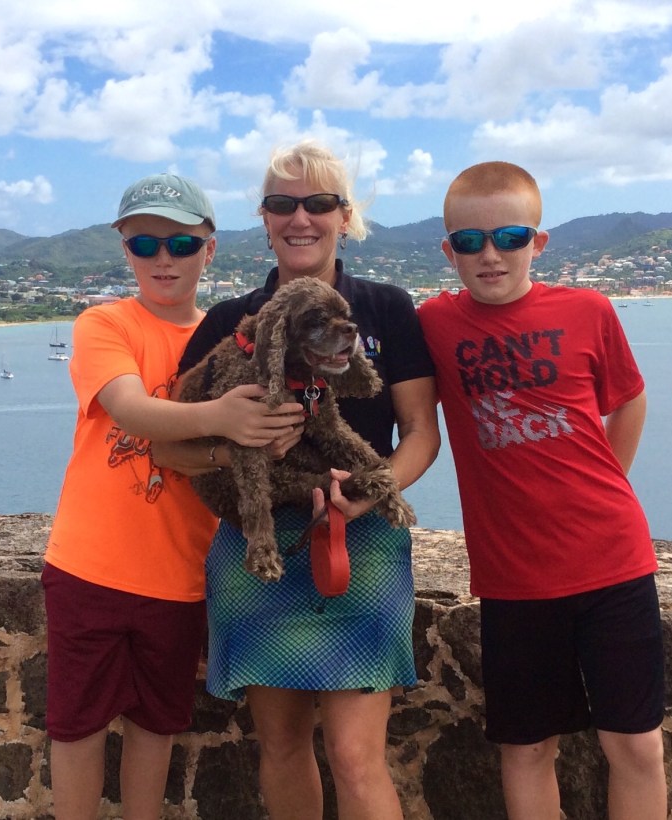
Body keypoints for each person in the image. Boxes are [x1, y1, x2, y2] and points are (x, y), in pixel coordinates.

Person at [160, 141, 440, 819]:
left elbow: (421, 435)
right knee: (281, 747)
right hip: (261, 553)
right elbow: (167, 445)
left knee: (353, 755)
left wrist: (371, 490)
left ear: (345, 216)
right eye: (283, 204)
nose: (301, 219)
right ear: (264, 217)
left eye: (319, 203)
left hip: (360, 540)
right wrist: (234, 451)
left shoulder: (385, 309)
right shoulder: (233, 324)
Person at [42, 173, 304, 820]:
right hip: (89, 565)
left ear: (208, 250)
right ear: (125, 249)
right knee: (77, 727)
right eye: (146, 244)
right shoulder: (105, 323)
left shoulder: (223, 338)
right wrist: (225, 419)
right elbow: (131, 410)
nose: (164, 259)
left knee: (156, 727)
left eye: (182, 245)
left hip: (178, 575)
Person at [418, 161, 666, 820]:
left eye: (510, 237)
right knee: (526, 749)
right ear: (450, 251)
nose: (491, 255)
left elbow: (630, 400)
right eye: (470, 243)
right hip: (515, 578)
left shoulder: (588, 309)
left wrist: (610, 482)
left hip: (613, 561)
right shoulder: (434, 324)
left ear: (539, 242)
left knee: (636, 745)